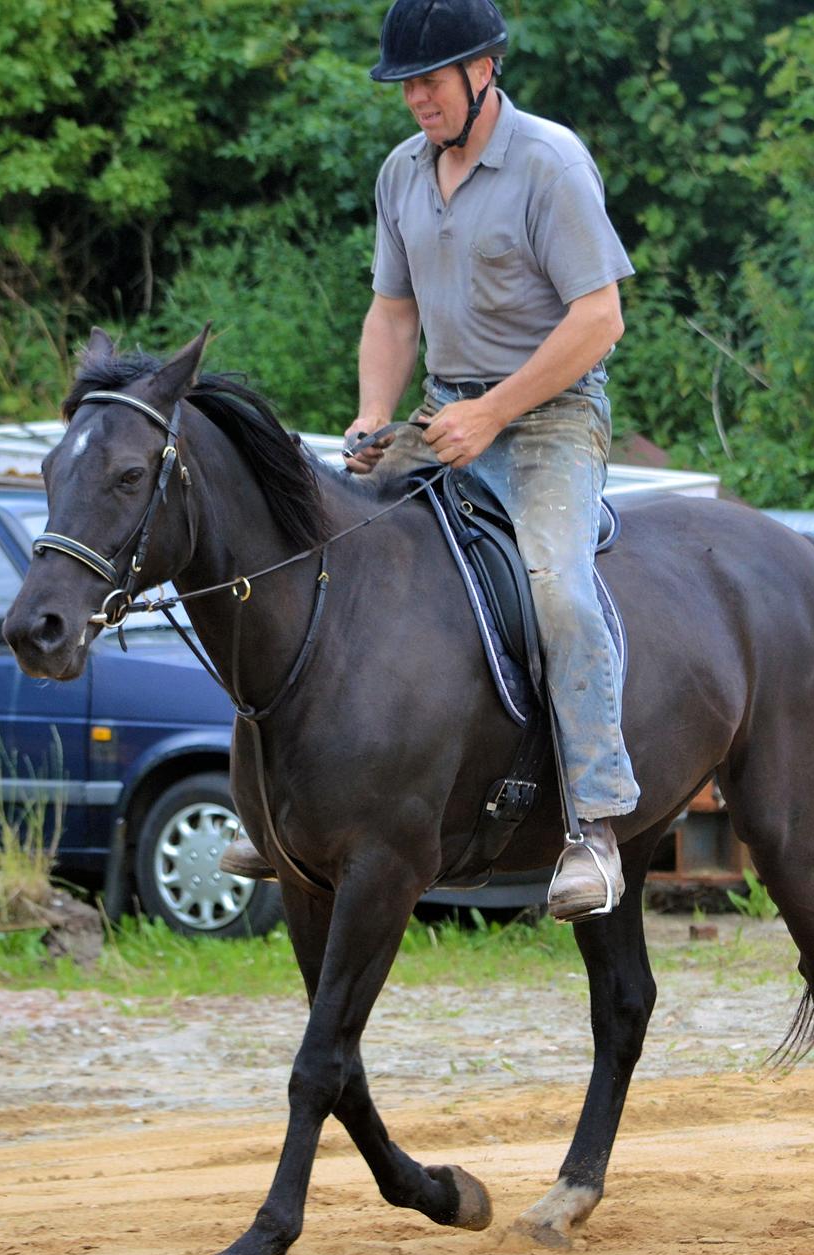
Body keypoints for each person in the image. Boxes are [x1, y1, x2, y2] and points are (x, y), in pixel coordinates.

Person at [226, 0, 640, 922]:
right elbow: (393, 312)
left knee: (560, 590)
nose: (415, 99)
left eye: (430, 80)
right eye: (405, 84)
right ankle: (277, 808)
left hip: (550, 422)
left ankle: (596, 823)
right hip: (443, 413)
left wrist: (494, 412)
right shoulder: (401, 174)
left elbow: (600, 319)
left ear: (484, 67)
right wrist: (377, 413)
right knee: (302, 550)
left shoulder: (551, 164)